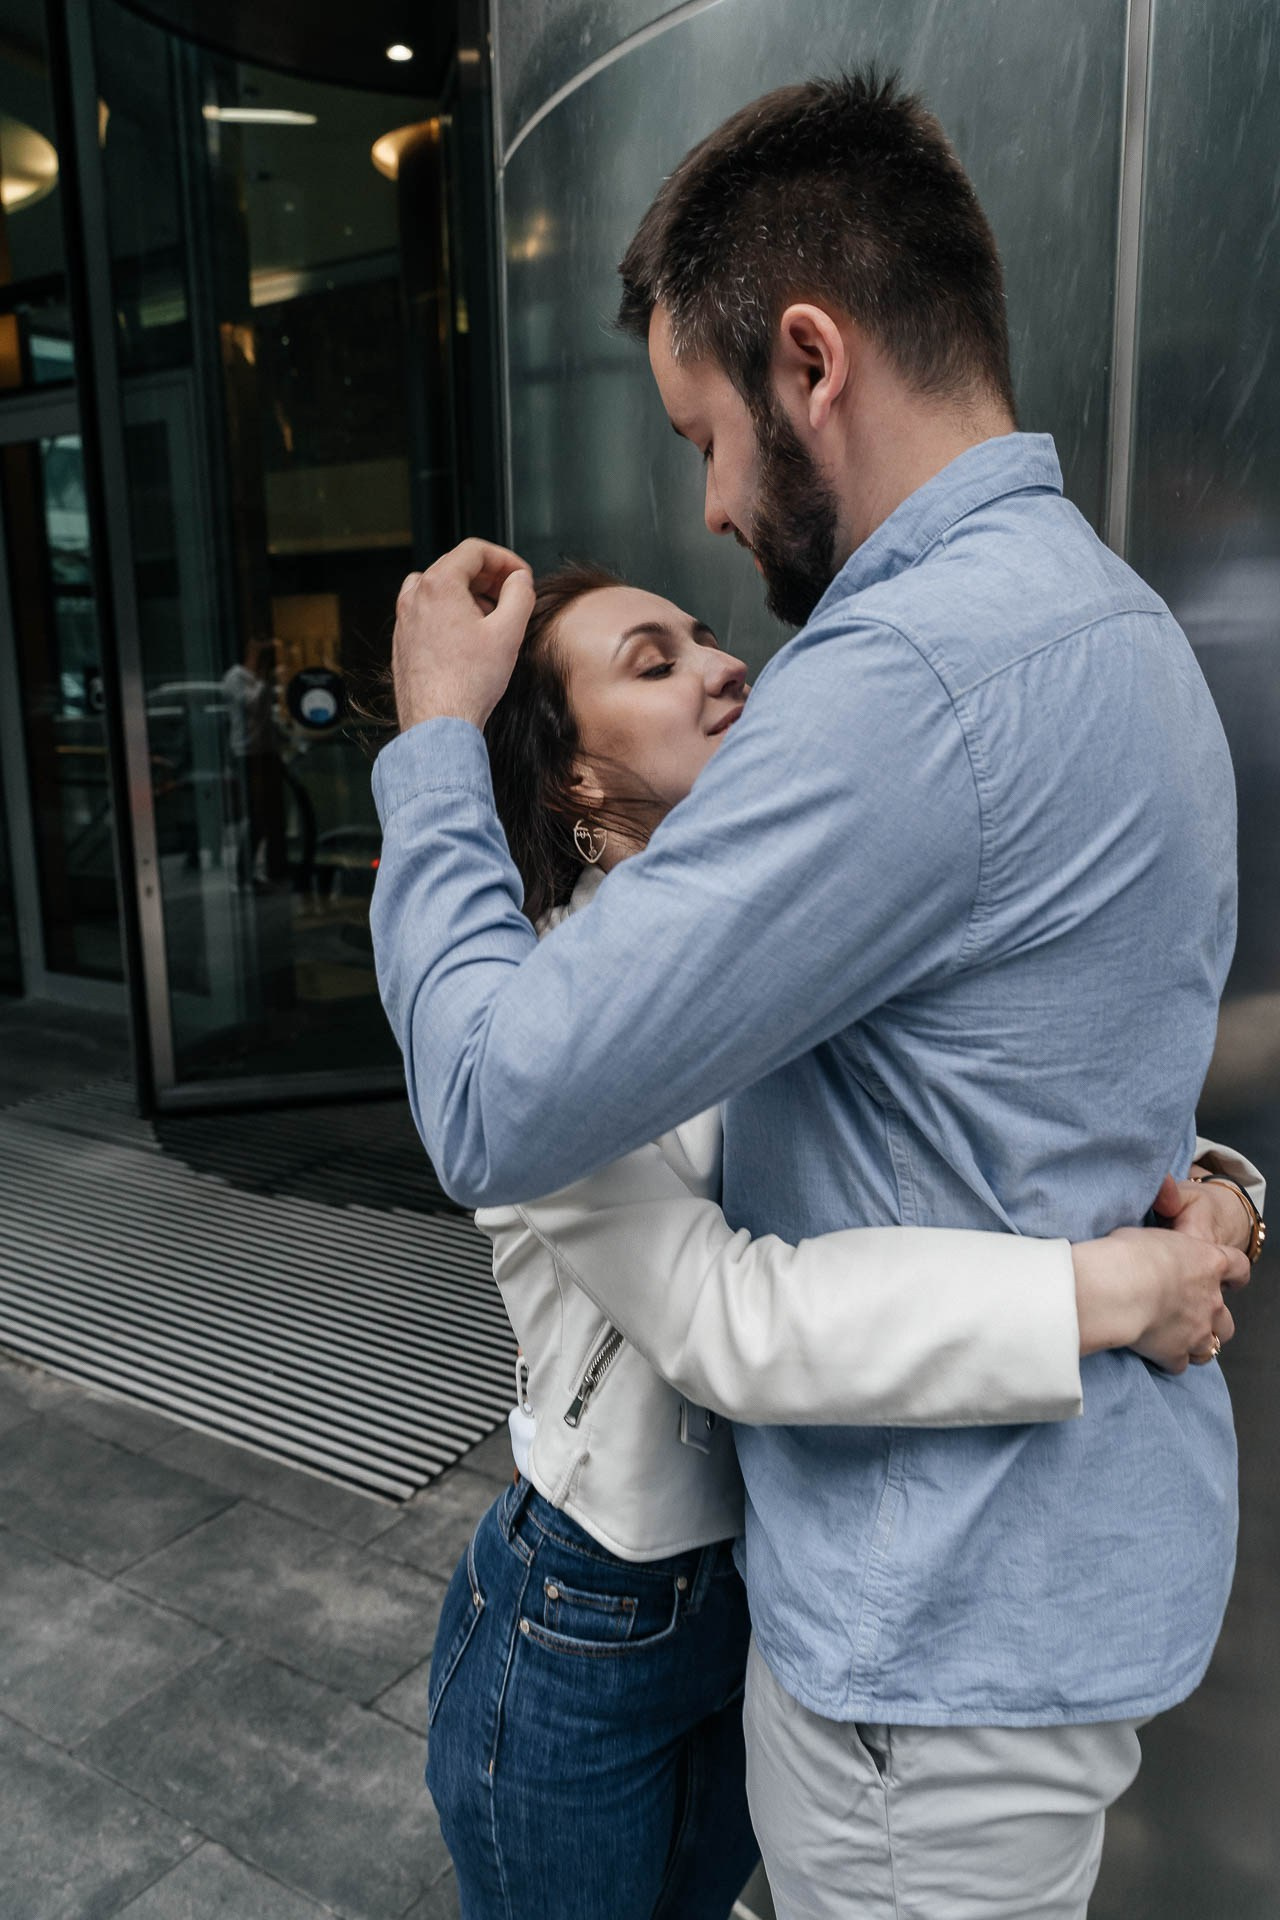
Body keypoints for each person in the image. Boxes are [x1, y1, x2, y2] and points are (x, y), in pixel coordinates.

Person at [372, 72, 1268, 1919]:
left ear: (811, 361)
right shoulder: (1114, 633)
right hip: (859, 1620)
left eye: (702, 429)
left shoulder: (913, 684)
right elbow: (1021, 1074)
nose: (707, 510)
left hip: (931, 1646)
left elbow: (485, 1095)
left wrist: (429, 746)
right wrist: (1163, 1227)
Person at [420, 561, 1257, 1920]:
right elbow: (731, 1319)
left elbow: (990, 1106)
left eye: (704, 634)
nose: (721, 663)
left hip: (780, 1586)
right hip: (586, 1624)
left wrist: (1216, 1179)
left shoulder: (797, 917)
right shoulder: (535, 1028)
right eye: (652, 662)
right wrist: (1092, 1294)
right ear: (575, 782)